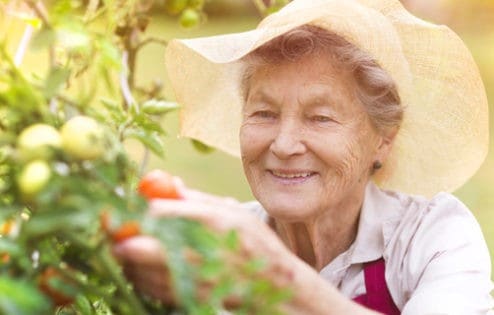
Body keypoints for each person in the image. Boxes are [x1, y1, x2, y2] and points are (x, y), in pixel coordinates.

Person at [113, 0, 493, 314]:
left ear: (383, 140)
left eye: (320, 118)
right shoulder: (217, 250)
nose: (284, 144)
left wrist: (272, 284)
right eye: (264, 113)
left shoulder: (431, 236)